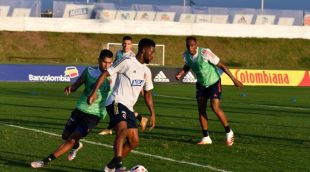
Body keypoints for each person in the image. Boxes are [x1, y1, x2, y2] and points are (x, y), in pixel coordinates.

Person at [30, 49, 115, 168]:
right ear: (99, 60)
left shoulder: (114, 76)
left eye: (110, 63)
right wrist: (71, 88)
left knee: (71, 139)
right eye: (105, 62)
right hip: (80, 109)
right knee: (65, 136)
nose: (107, 65)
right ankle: (76, 146)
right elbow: (77, 84)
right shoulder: (89, 71)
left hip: (95, 115)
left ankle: (44, 161)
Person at [87, 38, 156, 172]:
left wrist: (152, 113)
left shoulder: (146, 71)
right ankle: (118, 166)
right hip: (116, 101)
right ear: (143, 50)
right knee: (122, 130)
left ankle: (110, 167)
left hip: (129, 107)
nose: (152, 55)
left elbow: (147, 94)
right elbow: (105, 73)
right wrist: (94, 93)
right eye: (151, 52)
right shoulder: (127, 61)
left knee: (134, 142)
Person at [175, 36, 243, 146]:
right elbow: (188, 65)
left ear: (196, 45)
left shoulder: (205, 53)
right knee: (201, 109)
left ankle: (229, 132)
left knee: (214, 107)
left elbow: (222, 65)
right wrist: (181, 73)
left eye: (192, 45)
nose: (190, 48)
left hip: (214, 82)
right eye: (188, 45)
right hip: (201, 84)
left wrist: (234, 79)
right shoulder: (185, 55)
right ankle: (206, 137)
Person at [99, 35, 148, 135]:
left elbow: (138, 72)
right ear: (122, 44)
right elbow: (115, 67)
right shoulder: (118, 53)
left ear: (131, 45)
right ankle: (140, 118)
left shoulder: (132, 56)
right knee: (116, 104)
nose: (126, 45)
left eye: (128, 43)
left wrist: (141, 87)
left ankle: (110, 128)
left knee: (119, 105)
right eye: (124, 43)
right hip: (117, 79)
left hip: (126, 84)